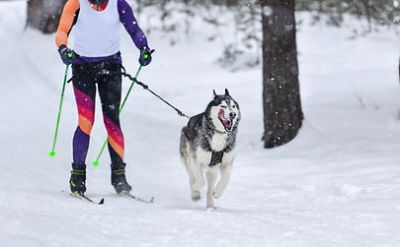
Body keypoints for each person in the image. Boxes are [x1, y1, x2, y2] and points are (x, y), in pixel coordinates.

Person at [55, 0, 152, 195]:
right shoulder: (76, 3)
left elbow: (134, 29)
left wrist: (144, 48)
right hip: (83, 68)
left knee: (112, 121)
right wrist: (63, 49)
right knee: (86, 122)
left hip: (111, 67)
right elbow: (61, 31)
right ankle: (77, 177)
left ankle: (119, 177)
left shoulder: (119, 4)